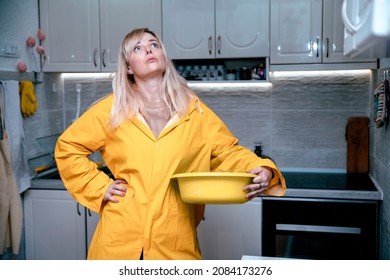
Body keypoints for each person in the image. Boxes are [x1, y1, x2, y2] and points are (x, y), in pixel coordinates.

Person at [54, 28, 286, 260]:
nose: (148, 50)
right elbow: (68, 148)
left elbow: (227, 152)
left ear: (164, 56)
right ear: (128, 67)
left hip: (174, 242)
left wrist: (263, 168)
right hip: (119, 240)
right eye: (138, 48)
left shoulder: (193, 110)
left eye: (154, 45)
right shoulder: (111, 110)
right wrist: (101, 187)